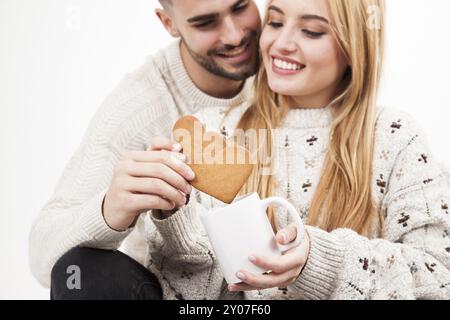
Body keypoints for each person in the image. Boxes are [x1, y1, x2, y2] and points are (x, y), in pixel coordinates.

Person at [126, 0, 450, 299]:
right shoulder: (209, 134)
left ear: (355, 45)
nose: (280, 44)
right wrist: (175, 220)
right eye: (276, 22)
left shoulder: (394, 137)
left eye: (311, 31)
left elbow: (439, 278)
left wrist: (319, 261)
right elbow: (189, 298)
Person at [29, 0, 262, 300]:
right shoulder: (138, 107)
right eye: (205, 23)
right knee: (80, 270)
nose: (233, 35)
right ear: (169, 24)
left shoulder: (294, 59)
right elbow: (42, 257)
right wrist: (110, 210)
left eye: (240, 6)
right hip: (177, 295)